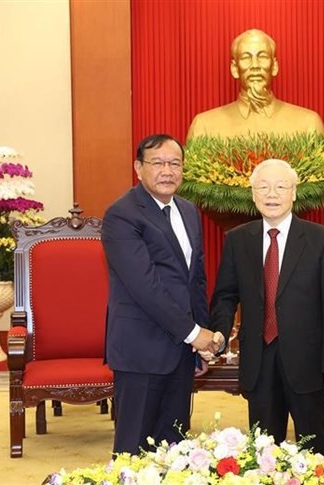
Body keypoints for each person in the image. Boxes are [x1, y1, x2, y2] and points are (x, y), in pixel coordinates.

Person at [206, 159, 324, 456]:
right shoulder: (238, 240)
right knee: (264, 452)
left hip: (308, 364)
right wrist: (218, 331)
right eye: (264, 187)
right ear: (253, 194)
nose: (272, 194)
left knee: (315, 450)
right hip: (259, 362)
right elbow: (225, 295)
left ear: (294, 193)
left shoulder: (322, 240)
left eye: (281, 187)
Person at [102, 134, 224, 455]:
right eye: (157, 163)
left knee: (175, 447)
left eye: (174, 163)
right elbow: (146, 286)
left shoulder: (187, 210)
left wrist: (201, 343)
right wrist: (194, 333)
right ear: (138, 168)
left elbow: (194, 280)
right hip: (141, 349)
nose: (167, 171)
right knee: (134, 448)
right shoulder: (122, 215)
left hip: (181, 352)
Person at [187, 29, 324, 139]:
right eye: (246, 57)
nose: (255, 65)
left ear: (274, 66)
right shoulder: (204, 126)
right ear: (235, 69)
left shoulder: (308, 124)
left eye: (263, 57)